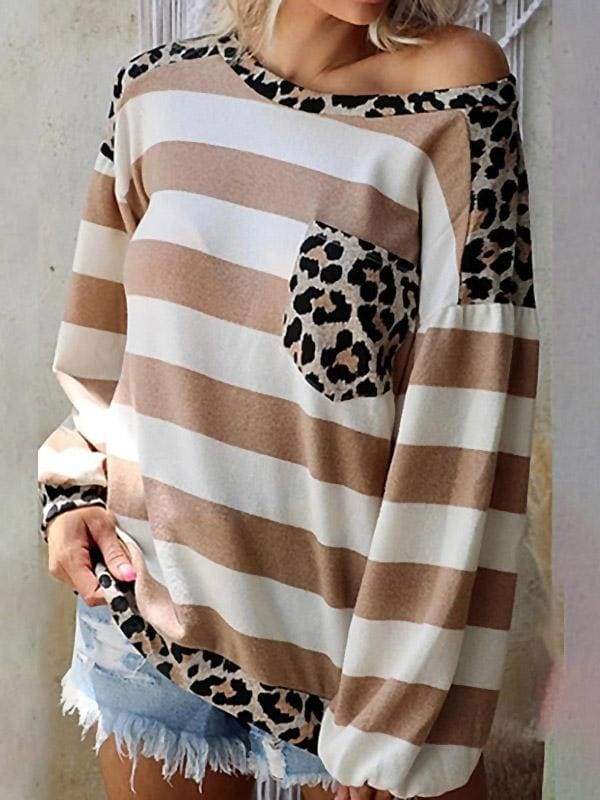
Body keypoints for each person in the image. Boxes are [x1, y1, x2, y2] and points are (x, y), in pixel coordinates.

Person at [37, 1, 541, 798]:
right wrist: (72, 493)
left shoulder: (455, 99)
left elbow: (470, 420)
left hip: (356, 674)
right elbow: (104, 354)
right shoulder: (155, 91)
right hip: (146, 617)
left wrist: (389, 718)